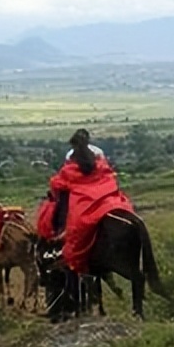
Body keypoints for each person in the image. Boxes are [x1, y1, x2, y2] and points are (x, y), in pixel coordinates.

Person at [35, 128, 134, 320]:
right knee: (118, 201)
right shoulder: (98, 152)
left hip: (80, 201)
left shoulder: (70, 156)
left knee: (58, 206)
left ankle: (60, 232)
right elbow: (106, 173)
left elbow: (62, 184)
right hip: (102, 195)